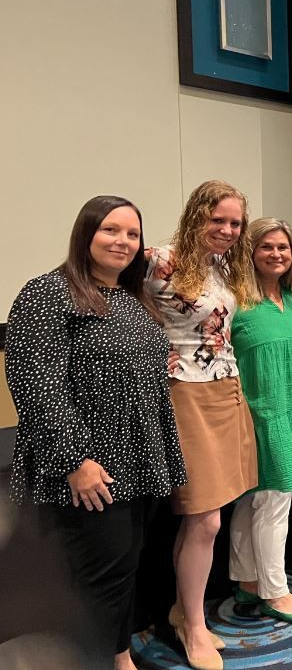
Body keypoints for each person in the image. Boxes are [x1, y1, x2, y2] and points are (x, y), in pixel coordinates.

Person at [5, 195, 187, 670]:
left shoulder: (129, 299)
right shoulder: (48, 292)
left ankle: (119, 655)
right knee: (98, 573)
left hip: (136, 457)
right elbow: (36, 383)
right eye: (111, 229)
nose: (123, 241)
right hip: (89, 462)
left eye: (132, 234)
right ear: (86, 233)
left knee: (124, 567)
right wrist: (75, 461)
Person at [146, 180, 258, 670]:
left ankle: (183, 611)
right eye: (218, 220)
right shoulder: (157, 260)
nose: (228, 230)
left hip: (226, 390)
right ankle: (192, 626)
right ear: (197, 215)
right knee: (204, 516)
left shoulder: (222, 266)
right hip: (182, 392)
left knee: (209, 517)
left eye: (235, 223)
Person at [228, 218, 292, 624]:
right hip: (259, 418)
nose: (276, 254)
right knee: (273, 502)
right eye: (267, 247)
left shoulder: (289, 299)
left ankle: (248, 580)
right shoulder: (238, 302)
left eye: (283, 248)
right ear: (250, 252)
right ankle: (276, 590)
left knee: (255, 501)